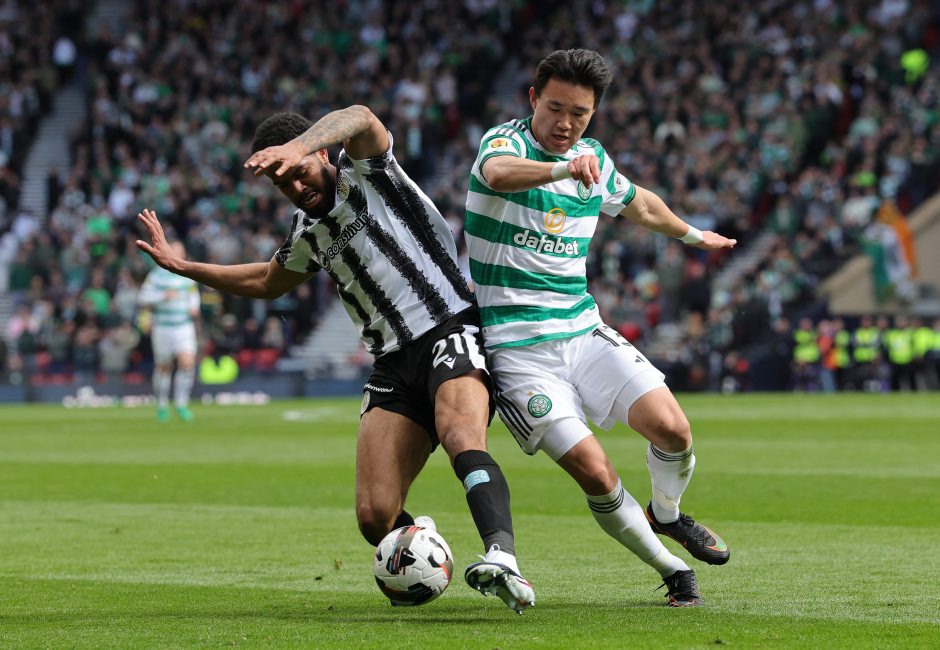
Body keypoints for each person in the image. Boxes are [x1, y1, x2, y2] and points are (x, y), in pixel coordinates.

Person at [135, 105, 534, 614]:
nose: (296, 186)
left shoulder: (367, 172)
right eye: (283, 183)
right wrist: (184, 267)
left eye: (299, 171)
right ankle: (423, 545)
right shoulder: (307, 234)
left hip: (448, 326)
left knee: (461, 436)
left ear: (320, 152)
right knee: (374, 516)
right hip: (391, 363)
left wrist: (296, 146)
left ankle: (502, 558)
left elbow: (362, 117)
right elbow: (266, 281)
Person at [464, 49, 735, 607]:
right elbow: (498, 175)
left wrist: (692, 235)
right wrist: (565, 168)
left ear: (594, 114)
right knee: (595, 471)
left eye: (579, 114)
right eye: (555, 108)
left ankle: (666, 515)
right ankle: (673, 570)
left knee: (674, 431)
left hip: (583, 331)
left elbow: (641, 205)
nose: (566, 123)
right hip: (518, 353)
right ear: (533, 99)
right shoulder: (506, 144)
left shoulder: (595, 159)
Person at [138, 241, 200, 422]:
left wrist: (194, 307)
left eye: (181, 251)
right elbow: (143, 297)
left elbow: (193, 294)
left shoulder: (188, 273)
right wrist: (163, 296)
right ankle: (162, 405)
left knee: (187, 363)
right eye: (176, 250)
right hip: (163, 326)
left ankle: (181, 404)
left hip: (184, 326)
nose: (179, 254)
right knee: (164, 367)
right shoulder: (156, 275)